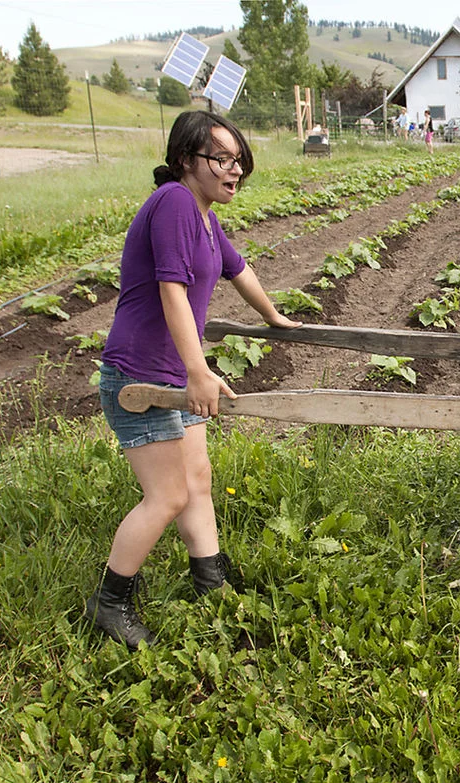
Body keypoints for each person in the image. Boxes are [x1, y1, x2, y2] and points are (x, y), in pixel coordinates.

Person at [87, 111, 300, 648]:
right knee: (167, 495)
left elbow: (237, 268)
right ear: (186, 159)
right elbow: (172, 292)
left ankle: (210, 579)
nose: (234, 172)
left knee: (197, 480)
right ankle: (109, 603)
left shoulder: (204, 213)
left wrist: (275, 317)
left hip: (171, 373)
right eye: (221, 160)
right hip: (140, 376)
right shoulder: (176, 202)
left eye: (239, 162)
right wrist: (199, 371)